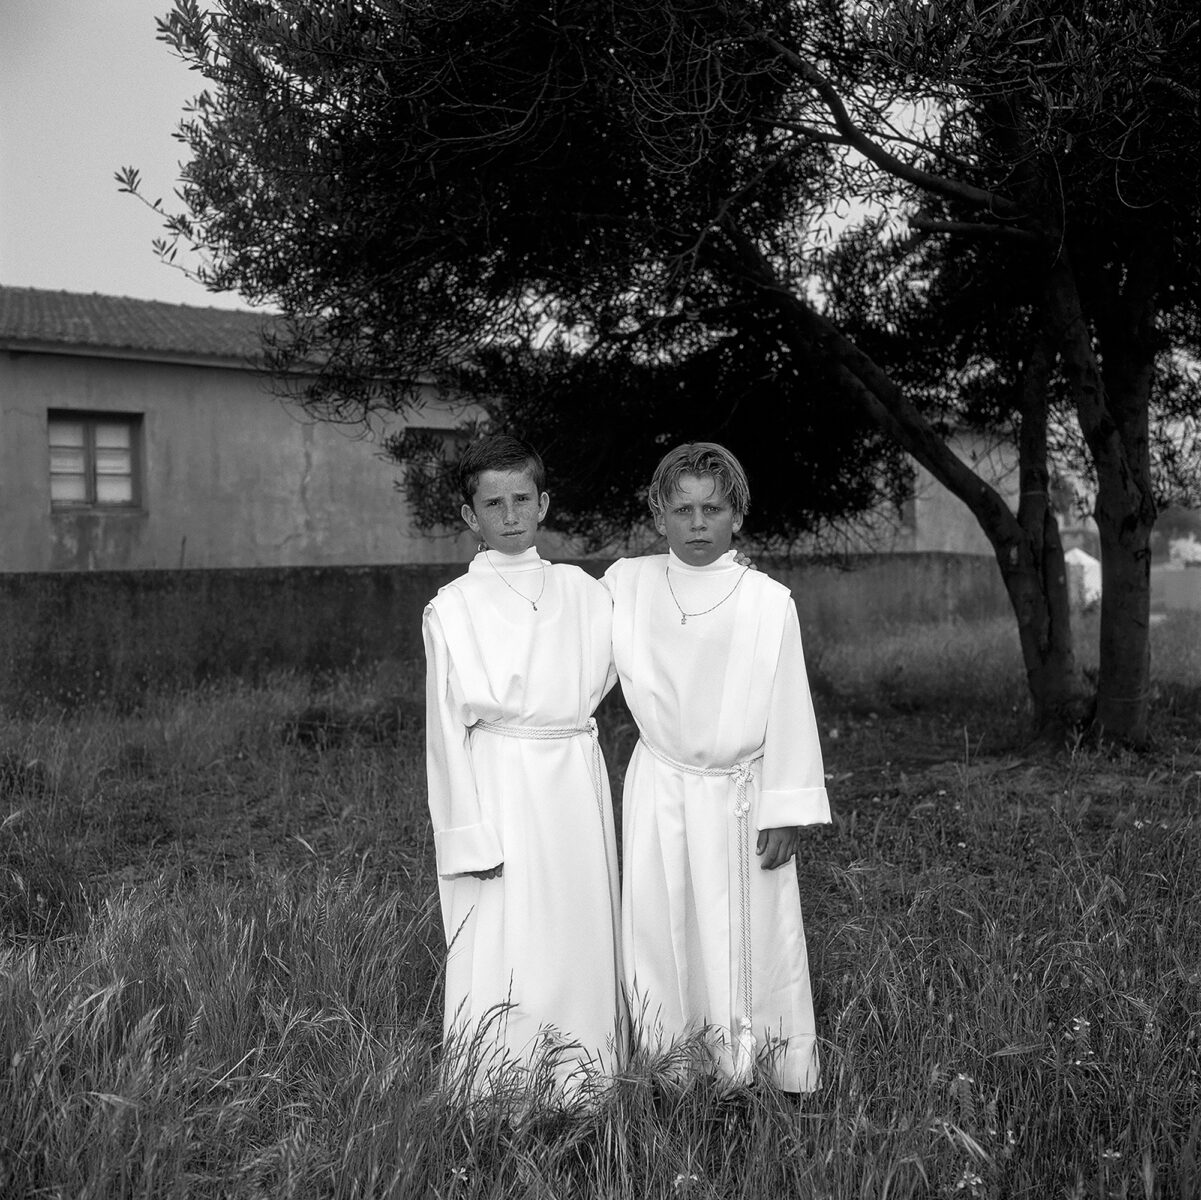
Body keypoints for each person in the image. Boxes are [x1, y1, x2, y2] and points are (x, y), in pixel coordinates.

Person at [603, 442, 830, 1092]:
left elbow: (788, 704)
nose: (696, 524)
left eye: (711, 509)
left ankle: (756, 1068)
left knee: (744, 935)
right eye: (682, 510)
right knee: (658, 927)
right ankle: (672, 1068)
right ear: (658, 515)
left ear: (737, 516)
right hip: (659, 783)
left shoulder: (765, 600)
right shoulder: (628, 583)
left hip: (738, 793)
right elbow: (572, 650)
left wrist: (785, 808)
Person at [422, 435, 622, 1101]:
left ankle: (583, 1089)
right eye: (492, 503)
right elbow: (445, 733)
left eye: (521, 500)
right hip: (498, 776)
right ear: (467, 516)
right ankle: (498, 1093)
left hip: (571, 770)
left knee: (576, 925)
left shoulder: (584, 591)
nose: (509, 515)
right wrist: (466, 834)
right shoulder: (453, 605)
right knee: (504, 930)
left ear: (543, 504)